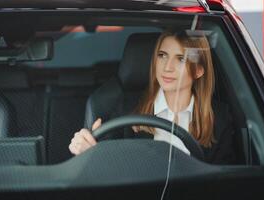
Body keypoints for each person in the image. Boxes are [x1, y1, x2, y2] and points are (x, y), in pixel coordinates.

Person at [69, 30, 235, 164]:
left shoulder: (219, 118)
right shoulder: (126, 109)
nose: (167, 67)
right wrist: (86, 149)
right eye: (162, 55)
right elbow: (107, 167)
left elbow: (223, 183)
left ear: (199, 70)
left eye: (180, 59)